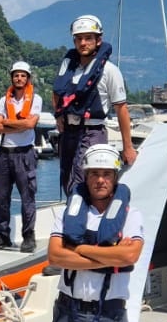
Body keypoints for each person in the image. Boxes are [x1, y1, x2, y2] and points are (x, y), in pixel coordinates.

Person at [47, 143, 144, 322]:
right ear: (86, 176)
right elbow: (55, 257)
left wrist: (79, 248)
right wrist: (110, 253)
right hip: (68, 312)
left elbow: (129, 256)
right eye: (94, 174)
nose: (100, 180)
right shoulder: (66, 213)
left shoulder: (131, 215)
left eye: (106, 174)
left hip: (109, 314)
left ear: (115, 177)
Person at [52, 15, 135, 195]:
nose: (83, 43)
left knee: (83, 183)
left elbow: (121, 109)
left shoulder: (110, 72)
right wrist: (58, 116)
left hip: (92, 133)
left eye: (88, 38)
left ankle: (82, 219)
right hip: (68, 134)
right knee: (67, 181)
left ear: (98, 40)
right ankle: (73, 217)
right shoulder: (69, 69)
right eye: (79, 38)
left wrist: (127, 147)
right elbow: (56, 92)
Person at [0, 60, 42, 252]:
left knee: (28, 196)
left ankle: (29, 236)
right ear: (12, 77)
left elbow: (30, 125)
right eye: (16, 75)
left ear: (28, 78)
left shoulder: (36, 99)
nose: (19, 78)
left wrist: (8, 124)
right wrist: (19, 123)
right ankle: (3, 236)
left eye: (23, 75)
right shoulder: (4, 100)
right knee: (1, 197)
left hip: (24, 153)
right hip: (4, 153)